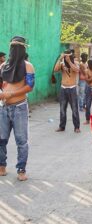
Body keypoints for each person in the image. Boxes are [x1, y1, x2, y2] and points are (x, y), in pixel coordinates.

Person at [0, 36, 35, 181]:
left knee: (21, 140)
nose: (15, 50)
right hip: (3, 107)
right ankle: (2, 165)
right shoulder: (3, 66)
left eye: (18, 47)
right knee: (1, 139)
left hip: (20, 107)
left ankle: (21, 170)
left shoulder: (28, 66)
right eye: (12, 47)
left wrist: (11, 93)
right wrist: (2, 94)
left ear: (23, 49)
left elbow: (29, 86)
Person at [54, 49, 80, 133]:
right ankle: (62, 126)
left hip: (72, 88)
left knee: (74, 109)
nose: (66, 57)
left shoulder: (75, 63)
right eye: (65, 56)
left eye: (68, 56)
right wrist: (60, 59)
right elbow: (55, 69)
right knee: (62, 109)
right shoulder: (62, 64)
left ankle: (76, 127)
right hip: (63, 88)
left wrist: (69, 62)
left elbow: (76, 70)